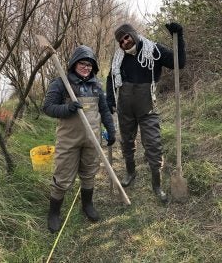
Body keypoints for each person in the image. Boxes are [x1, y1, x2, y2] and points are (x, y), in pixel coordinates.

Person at [106, 22, 186, 203]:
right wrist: (110, 99)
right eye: (121, 40)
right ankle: (130, 172)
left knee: (153, 145)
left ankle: (157, 185)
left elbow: (179, 63)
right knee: (126, 141)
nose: (125, 42)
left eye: (127, 36)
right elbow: (110, 77)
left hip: (148, 107)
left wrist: (179, 36)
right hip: (125, 107)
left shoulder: (154, 50)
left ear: (133, 34)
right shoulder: (118, 57)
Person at [43, 45, 116, 233]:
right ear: (74, 63)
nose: (86, 67)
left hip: (92, 140)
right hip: (68, 140)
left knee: (89, 173)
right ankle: (53, 214)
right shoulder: (60, 83)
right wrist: (66, 109)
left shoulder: (97, 85)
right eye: (82, 63)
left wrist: (111, 129)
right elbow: (48, 107)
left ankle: (87, 205)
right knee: (62, 177)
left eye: (90, 65)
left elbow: (105, 110)